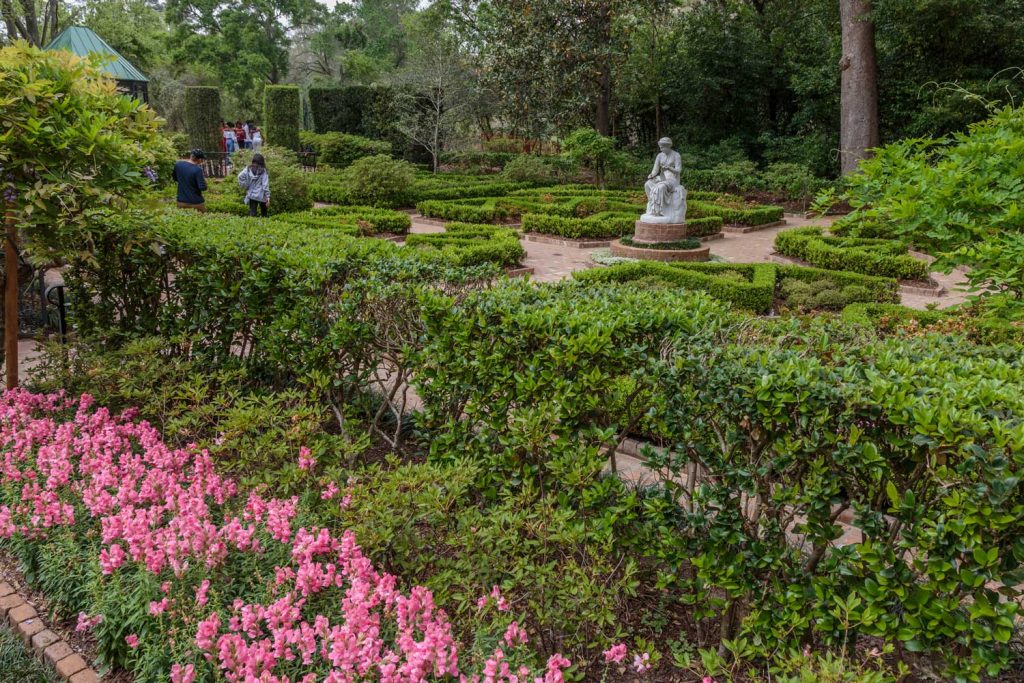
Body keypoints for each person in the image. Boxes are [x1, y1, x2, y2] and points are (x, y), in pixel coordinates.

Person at [238, 152, 270, 217]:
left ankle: (251, 226)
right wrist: (268, 196)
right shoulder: (263, 171)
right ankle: (265, 226)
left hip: (252, 195)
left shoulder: (248, 168)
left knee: (252, 214)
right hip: (262, 195)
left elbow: (240, 176)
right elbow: (265, 185)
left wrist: (246, 186)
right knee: (264, 214)